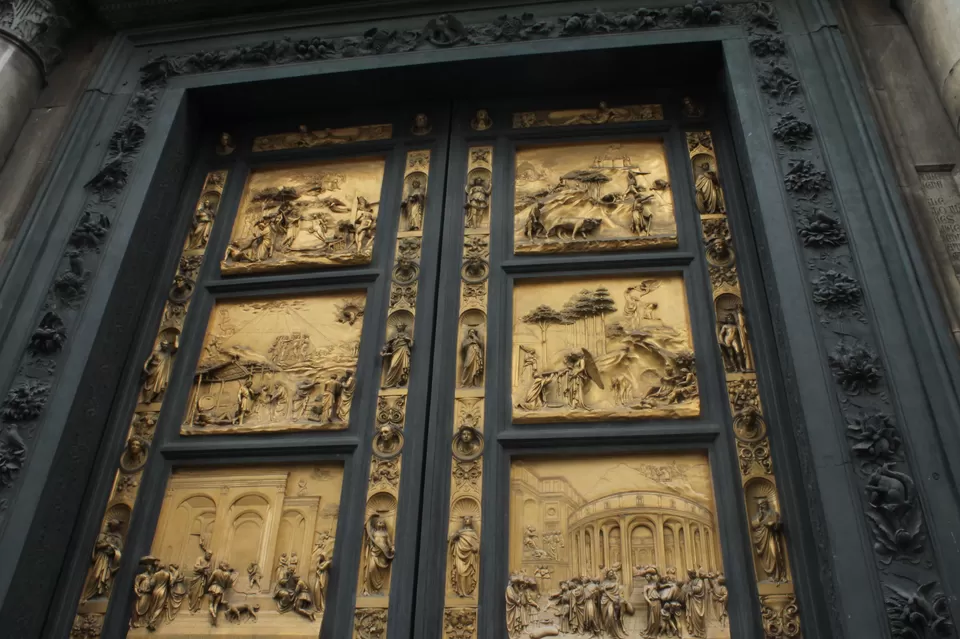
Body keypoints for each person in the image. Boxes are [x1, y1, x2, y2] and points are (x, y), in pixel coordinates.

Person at [81, 519, 123, 602]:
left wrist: (112, 550)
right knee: (96, 575)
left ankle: (99, 592)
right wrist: (106, 545)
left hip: (109, 560)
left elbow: (119, 548)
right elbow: (98, 545)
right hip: (101, 557)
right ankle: (87, 595)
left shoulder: (118, 538)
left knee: (104, 577)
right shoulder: (103, 535)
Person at [362, 515, 395, 595]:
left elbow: (389, 543)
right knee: (371, 569)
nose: (380, 523)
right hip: (374, 553)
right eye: (378, 522)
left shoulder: (385, 534)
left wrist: (392, 548)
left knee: (381, 572)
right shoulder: (374, 532)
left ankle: (379, 588)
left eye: (382, 522)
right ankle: (371, 588)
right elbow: (368, 529)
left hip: (383, 553)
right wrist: (367, 521)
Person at [449, 516, 480, 596]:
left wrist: (475, 548)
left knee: (467, 575)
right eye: (465, 519)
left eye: (468, 519)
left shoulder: (473, 533)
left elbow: (477, 544)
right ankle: (461, 591)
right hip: (459, 554)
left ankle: (466, 591)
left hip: (469, 555)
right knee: (460, 573)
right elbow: (451, 540)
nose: (466, 520)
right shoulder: (460, 532)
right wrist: (454, 538)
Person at [381, 324, 413, 388]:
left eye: (400, 326)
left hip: (403, 350)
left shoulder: (406, 335)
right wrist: (384, 351)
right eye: (397, 326)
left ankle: (399, 382)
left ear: (403, 327)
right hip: (395, 351)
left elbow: (411, 345)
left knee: (402, 366)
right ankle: (388, 383)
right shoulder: (394, 336)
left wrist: (408, 340)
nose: (398, 327)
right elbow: (388, 344)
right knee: (393, 366)